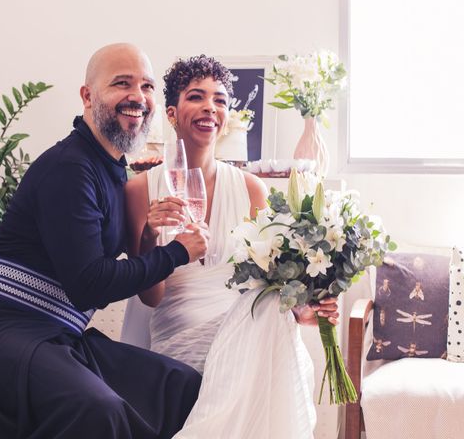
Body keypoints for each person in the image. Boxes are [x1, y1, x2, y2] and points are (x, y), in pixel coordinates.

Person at [0, 43, 210, 439]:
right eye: (121, 83)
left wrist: (149, 232)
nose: (137, 97)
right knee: (98, 409)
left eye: (146, 86)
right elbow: (91, 283)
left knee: (180, 385)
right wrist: (177, 253)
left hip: (58, 336)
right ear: (88, 96)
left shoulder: (111, 169)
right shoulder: (70, 167)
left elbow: (108, 264)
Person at [124, 55, 339, 438]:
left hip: (243, 321)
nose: (210, 107)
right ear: (172, 113)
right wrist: (149, 236)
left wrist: (303, 311)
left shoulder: (250, 188)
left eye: (220, 100)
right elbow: (150, 298)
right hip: (179, 326)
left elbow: (267, 283)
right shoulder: (140, 189)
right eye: (197, 97)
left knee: (272, 329)